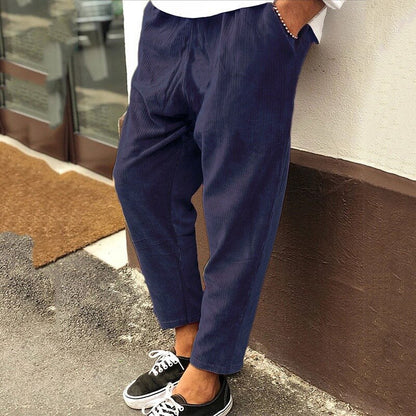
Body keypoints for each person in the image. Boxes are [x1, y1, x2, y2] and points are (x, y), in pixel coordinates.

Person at [113, 0, 345, 414]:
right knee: (141, 179)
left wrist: (291, 12)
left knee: (237, 207)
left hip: (251, 19)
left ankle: (207, 374)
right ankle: (188, 343)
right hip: (166, 19)